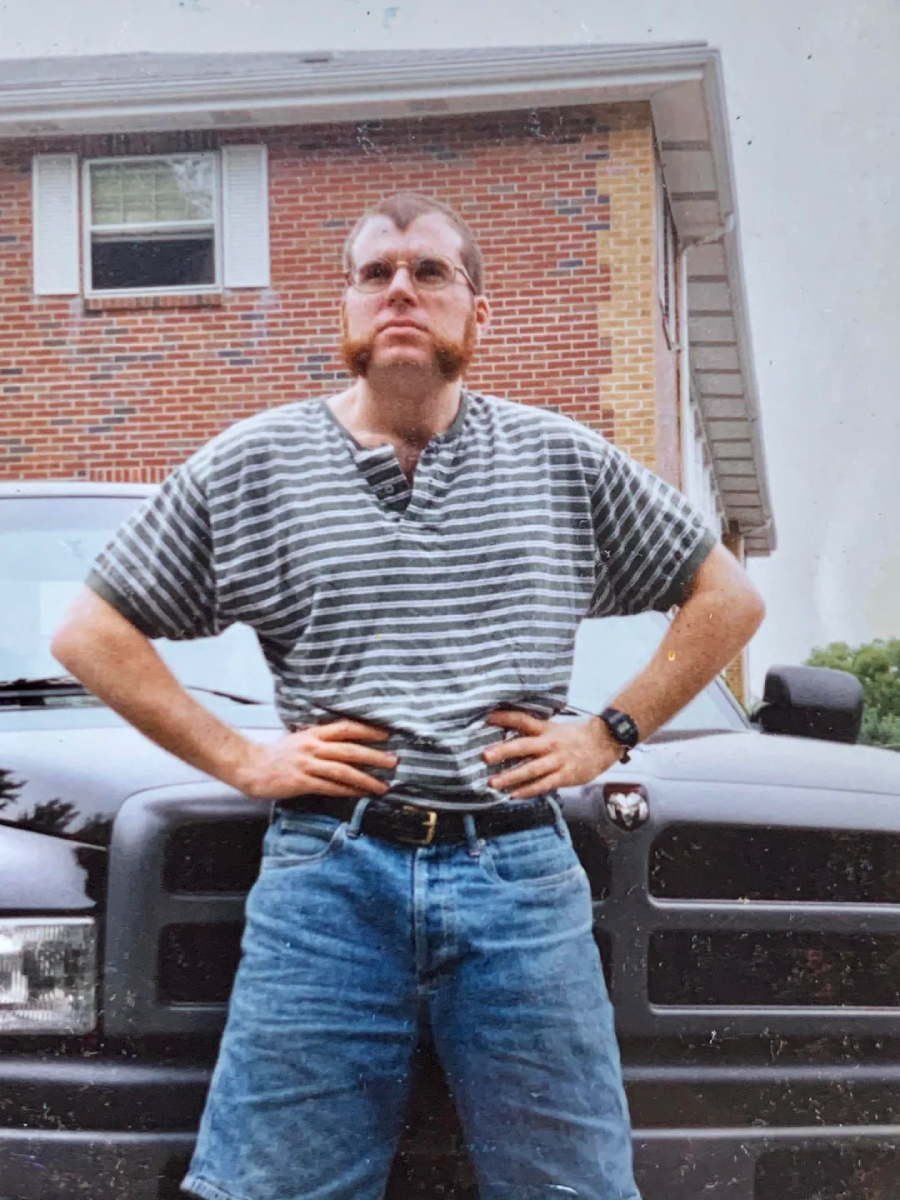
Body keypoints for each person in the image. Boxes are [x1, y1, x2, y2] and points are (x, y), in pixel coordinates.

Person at [52, 192, 765, 1200]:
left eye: (430, 272)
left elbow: (726, 595)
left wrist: (608, 731)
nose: (400, 289)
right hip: (326, 879)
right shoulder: (254, 466)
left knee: (575, 1188)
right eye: (374, 273)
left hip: (520, 873)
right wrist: (243, 758)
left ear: (480, 313)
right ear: (343, 311)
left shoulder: (560, 461)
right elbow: (90, 630)